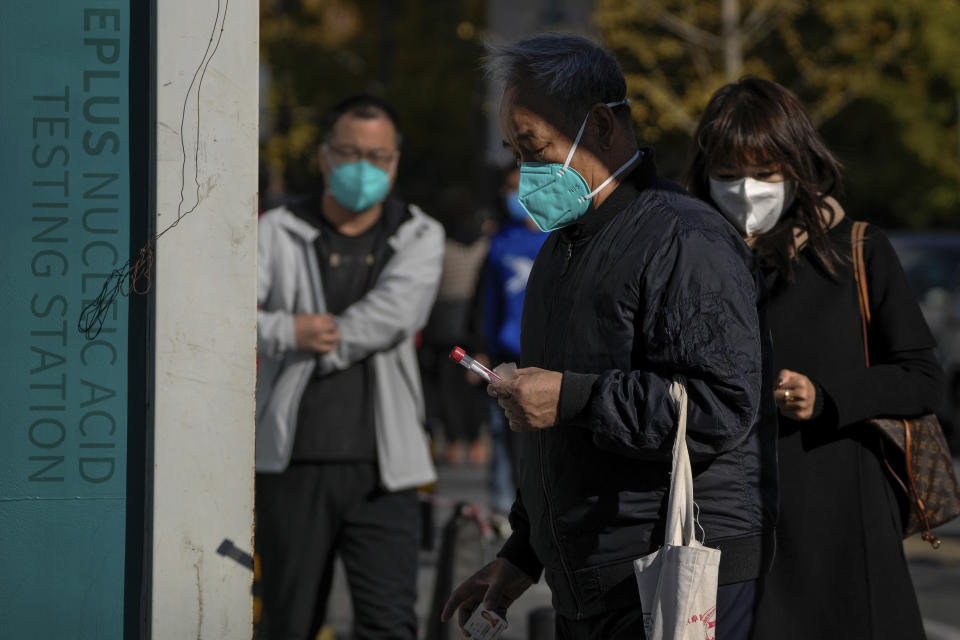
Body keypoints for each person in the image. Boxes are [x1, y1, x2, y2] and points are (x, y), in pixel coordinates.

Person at [442, 35, 778, 639]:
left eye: (535, 147)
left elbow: (722, 405)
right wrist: (522, 553)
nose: (525, 172)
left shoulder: (684, 238)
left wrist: (573, 397)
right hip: (594, 581)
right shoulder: (561, 250)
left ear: (599, 125)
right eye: (515, 152)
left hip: (676, 572)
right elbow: (560, 441)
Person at [684, 77, 943, 639]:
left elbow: (924, 379)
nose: (746, 192)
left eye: (765, 174)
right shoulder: (688, 262)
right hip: (727, 534)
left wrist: (827, 397)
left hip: (844, 533)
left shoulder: (857, 250)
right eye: (726, 175)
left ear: (797, 169)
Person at [256, 95, 444, 640]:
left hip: (385, 471)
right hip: (291, 462)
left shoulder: (417, 234)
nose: (363, 167)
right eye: (349, 152)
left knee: (389, 623)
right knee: (288, 622)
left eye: (378, 156)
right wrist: (288, 331)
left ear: (396, 162)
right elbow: (228, 315)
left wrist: (323, 336)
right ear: (323, 156)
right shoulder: (277, 230)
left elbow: (394, 315)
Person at [480, 165, 547, 514]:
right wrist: (484, 346)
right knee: (505, 437)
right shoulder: (500, 240)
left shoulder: (560, 235)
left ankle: (540, 509)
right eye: (508, 187)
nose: (514, 196)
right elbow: (488, 300)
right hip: (506, 354)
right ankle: (505, 513)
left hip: (548, 357)